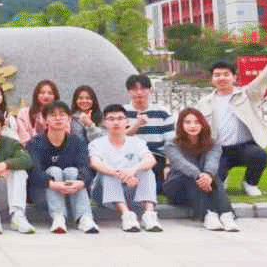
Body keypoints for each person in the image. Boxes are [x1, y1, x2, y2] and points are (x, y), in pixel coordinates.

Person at [197, 43, 267, 197]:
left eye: (226, 74)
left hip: (244, 147)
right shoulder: (204, 102)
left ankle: (250, 183)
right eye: (217, 75)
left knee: (260, 156)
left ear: (234, 77)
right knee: (216, 185)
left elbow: (262, 80)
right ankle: (222, 178)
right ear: (212, 78)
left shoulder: (246, 95)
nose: (222, 78)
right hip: (218, 150)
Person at [25, 101, 99, 234]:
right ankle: (58, 217)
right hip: (43, 195)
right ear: (44, 119)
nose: (58, 118)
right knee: (54, 171)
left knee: (72, 171)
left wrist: (80, 182)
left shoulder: (77, 142)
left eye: (62, 115)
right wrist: (52, 184)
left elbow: (85, 167)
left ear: (69, 119)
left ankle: (85, 218)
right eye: (53, 115)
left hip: (73, 194)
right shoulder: (35, 143)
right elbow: (34, 171)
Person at [89, 104, 162, 233]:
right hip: (104, 192)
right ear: (104, 123)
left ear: (127, 122)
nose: (116, 122)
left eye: (120, 118)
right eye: (111, 119)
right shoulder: (97, 143)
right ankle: (126, 215)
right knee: (107, 173)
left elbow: (151, 160)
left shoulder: (137, 142)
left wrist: (133, 171)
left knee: (147, 171)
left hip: (130, 187)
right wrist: (118, 174)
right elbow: (94, 163)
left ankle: (149, 215)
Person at [163, 108, 239, 231]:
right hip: (177, 188)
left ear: (203, 124)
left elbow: (212, 163)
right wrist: (200, 176)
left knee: (214, 177)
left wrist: (208, 175)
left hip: (204, 186)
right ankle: (208, 215)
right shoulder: (171, 144)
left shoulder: (213, 144)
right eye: (187, 122)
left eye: (197, 122)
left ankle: (226, 215)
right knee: (191, 176)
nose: (192, 126)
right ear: (181, 125)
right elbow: (182, 165)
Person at [123, 74, 174, 193]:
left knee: (155, 185)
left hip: (156, 155)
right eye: (135, 89)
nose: (139, 93)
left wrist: (168, 165)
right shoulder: (122, 113)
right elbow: (117, 138)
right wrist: (137, 125)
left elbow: (170, 142)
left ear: (150, 90)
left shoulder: (162, 113)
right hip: (129, 155)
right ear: (129, 92)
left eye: (143, 89)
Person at [17, 80, 59, 145]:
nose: (46, 96)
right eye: (42, 93)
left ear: (55, 96)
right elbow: (24, 139)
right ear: (36, 95)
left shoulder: (61, 115)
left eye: (50, 93)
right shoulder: (24, 113)